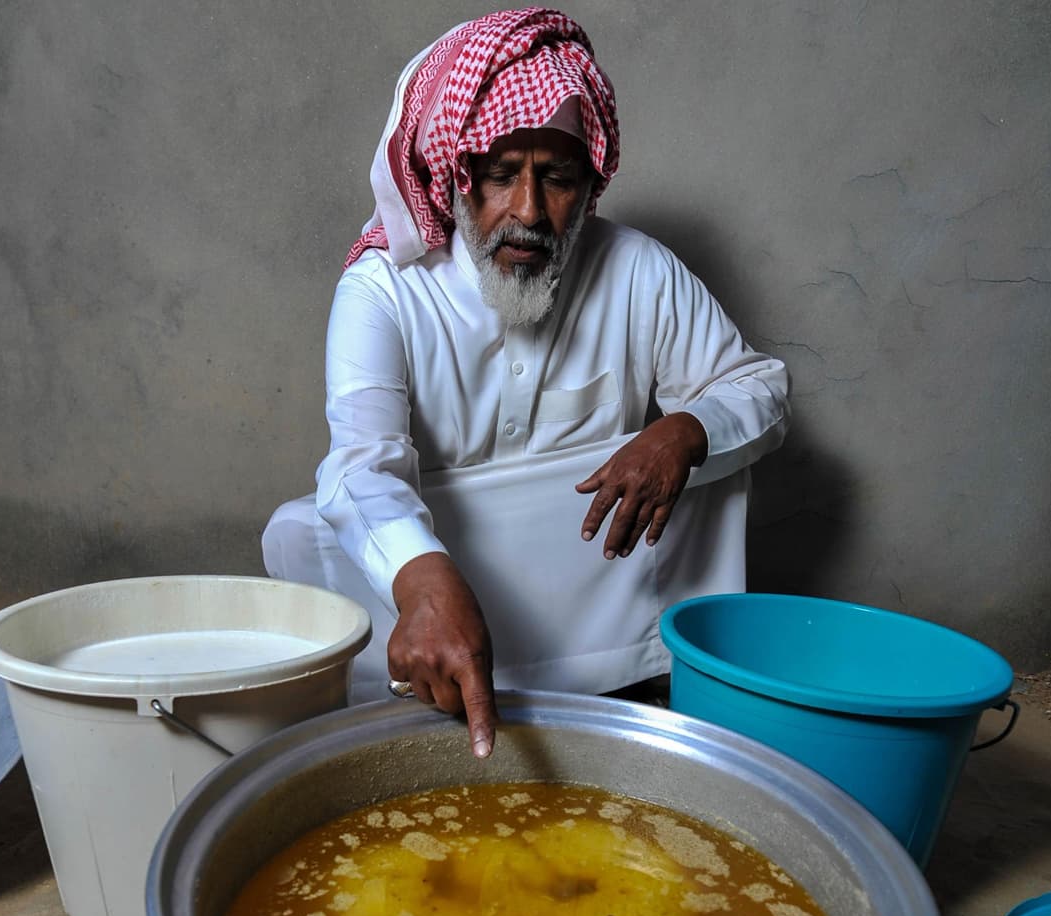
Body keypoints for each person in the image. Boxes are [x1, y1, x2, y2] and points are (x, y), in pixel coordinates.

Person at [295, 7, 789, 759]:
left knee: (712, 456)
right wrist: (424, 584)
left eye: (557, 179)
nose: (527, 212)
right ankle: (410, 681)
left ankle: (642, 682)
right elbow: (362, 464)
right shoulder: (384, 292)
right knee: (310, 529)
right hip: (443, 590)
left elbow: (756, 385)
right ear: (458, 175)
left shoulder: (638, 270)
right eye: (500, 175)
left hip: (608, 615)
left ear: (589, 185)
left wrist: (683, 432)